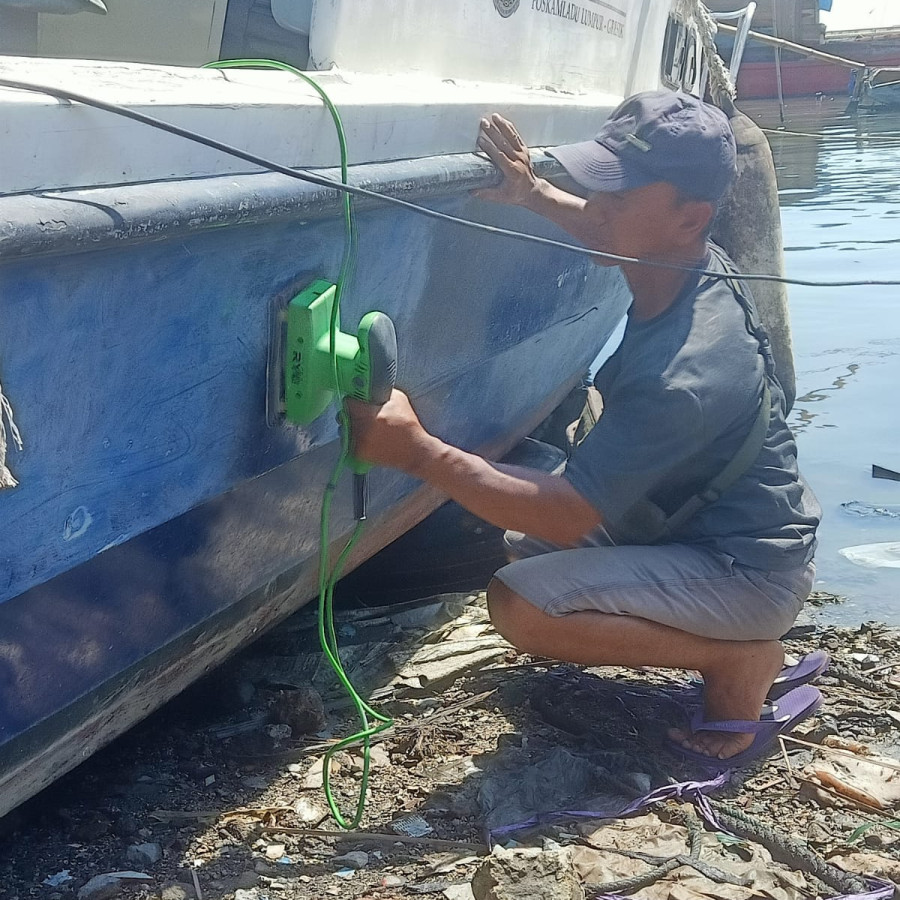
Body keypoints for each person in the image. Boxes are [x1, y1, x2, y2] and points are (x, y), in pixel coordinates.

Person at [346, 90, 822, 765]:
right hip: (694, 526)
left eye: (617, 198)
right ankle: (720, 640)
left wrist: (417, 451)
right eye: (596, 187)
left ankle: (735, 661)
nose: (595, 208)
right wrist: (533, 192)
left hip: (748, 569)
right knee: (523, 542)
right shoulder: (676, 264)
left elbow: (568, 516)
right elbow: (615, 231)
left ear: (691, 218)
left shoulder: (686, 372)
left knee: (521, 604)